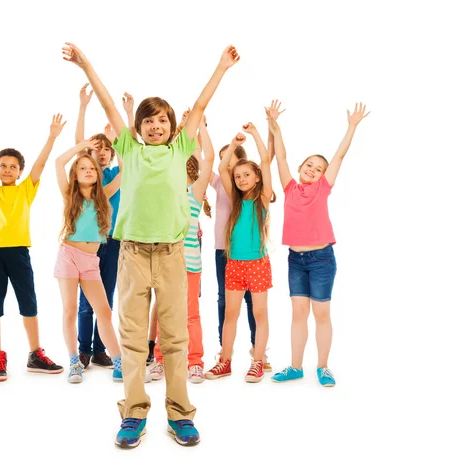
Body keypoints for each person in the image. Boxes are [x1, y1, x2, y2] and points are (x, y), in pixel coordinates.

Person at [63, 41, 239, 448]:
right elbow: (108, 104)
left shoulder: (181, 148)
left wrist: (221, 67)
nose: (155, 127)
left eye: (162, 121)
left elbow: (197, 106)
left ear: (172, 127)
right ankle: (134, 411)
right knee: (133, 336)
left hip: (173, 253)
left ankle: (179, 413)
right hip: (134, 253)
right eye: (148, 122)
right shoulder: (128, 149)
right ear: (138, 128)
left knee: (175, 337)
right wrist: (87, 65)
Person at [0, 103, 64, 382]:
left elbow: (41, 165)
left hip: (19, 252)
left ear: (20, 172)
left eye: (13, 167)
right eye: (3, 166)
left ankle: (34, 353)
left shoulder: (26, 190)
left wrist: (52, 136)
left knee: (28, 303)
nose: (7, 170)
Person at [269, 103, 370, 387]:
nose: (313, 170)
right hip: (296, 261)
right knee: (298, 313)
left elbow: (339, 155)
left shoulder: (322, 187)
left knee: (321, 313)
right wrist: (275, 127)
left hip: (322, 259)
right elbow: (281, 157)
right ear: (301, 168)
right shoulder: (290, 187)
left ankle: (323, 366)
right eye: (309, 165)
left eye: (319, 168)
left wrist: (352, 126)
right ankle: (295, 366)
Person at [205, 122, 275, 383]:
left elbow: (266, 161)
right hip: (234, 263)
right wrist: (233, 144)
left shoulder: (263, 198)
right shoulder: (234, 198)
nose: (241, 179)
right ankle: (225, 361)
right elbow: (223, 167)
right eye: (238, 176)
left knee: (259, 313)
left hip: (257, 263)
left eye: (246, 175)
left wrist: (255, 134)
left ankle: (257, 361)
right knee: (230, 313)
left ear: (256, 177)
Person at [53, 138, 124, 384]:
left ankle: (118, 362)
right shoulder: (69, 194)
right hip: (69, 257)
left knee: (103, 310)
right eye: (82, 168)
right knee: (71, 310)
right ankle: (74, 361)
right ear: (76, 174)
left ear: (97, 174)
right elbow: (59, 162)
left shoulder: (103, 195)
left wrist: (119, 139)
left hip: (90, 260)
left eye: (91, 168)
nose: (87, 171)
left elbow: (126, 171)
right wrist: (82, 146)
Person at [149, 119, 213, 384]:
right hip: (165, 263)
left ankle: (195, 362)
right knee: (166, 313)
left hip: (189, 265)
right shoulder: (164, 193)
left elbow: (208, 159)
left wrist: (200, 127)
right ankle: (160, 361)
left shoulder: (194, 193)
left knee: (190, 314)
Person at [74, 84, 122, 370]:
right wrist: (82, 107)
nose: (102, 153)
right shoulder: (88, 176)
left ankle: (100, 348)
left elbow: (130, 158)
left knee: (106, 296)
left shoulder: (118, 172)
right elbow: (80, 143)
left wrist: (117, 137)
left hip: (113, 242)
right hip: (89, 243)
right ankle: (83, 349)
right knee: (85, 300)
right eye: (98, 149)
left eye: (107, 149)